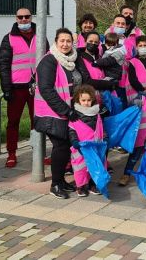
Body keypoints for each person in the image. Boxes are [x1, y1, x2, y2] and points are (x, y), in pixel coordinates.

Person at [34, 28, 94, 199]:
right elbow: (46, 90)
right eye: (62, 41)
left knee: (66, 146)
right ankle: (55, 184)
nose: (66, 44)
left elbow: (84, 81)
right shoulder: (49, 61)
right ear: (56, 41)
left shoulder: (74, 59)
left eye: (69, 41)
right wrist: (65, 110)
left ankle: (60, 181)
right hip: (51, 113)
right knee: (60, 146)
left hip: (69, 112)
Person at [0, 8, 44, 168]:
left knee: (38, 121)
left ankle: (39, 152)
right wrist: (6, 89)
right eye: (20, 17)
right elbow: (4, 65)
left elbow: (46, 60)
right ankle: (11, 153)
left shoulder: (40, 35)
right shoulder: (8, 38)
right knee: (13, 122)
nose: (24, 19)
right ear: (16, 18)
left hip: (36, 86)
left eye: (27, 16)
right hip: (16, 87)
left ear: (31, 17)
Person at [68, 84, 106, 197]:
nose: (86, 103)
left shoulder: (96, 113)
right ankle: (81, 186)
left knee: (96, 166)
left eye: (89, 100)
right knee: (81, 167)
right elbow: (72, 130)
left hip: (95, 146)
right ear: (78, 100)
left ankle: (94, 184)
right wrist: (74, 142)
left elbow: (101, 128)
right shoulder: (76, 115)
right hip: (80, 147)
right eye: (83, 100)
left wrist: (105, 136)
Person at [125, 35, 146, 104]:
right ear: (136, 48)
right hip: (137, 94)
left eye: (145, 45)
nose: (143, 47)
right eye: (140, 46)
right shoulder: (133, 61)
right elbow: (132, 79)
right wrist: (143, 90)